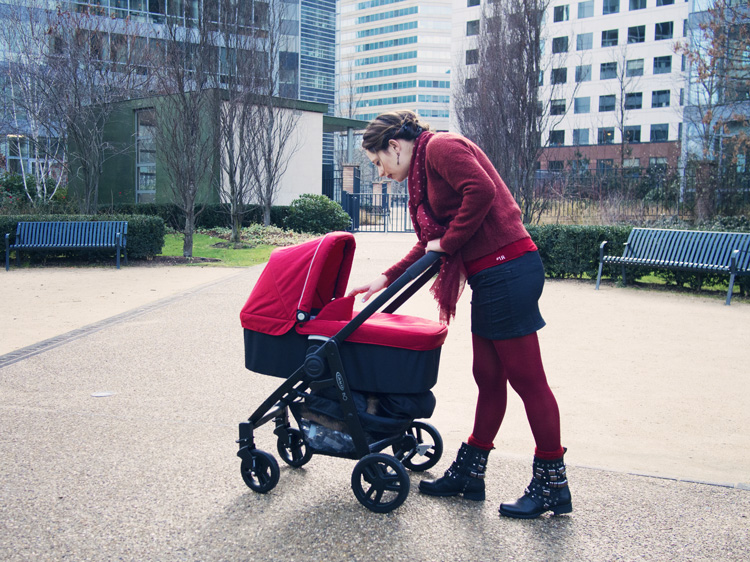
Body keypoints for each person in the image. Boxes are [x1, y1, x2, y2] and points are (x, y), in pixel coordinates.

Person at [348, 110, 572, 519]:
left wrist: (448, 243)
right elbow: (434, 245)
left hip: (507, 269)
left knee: (528, 381)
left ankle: (552, 482)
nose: (380, 173)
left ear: (394, 147)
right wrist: (384, 278)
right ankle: (471, 472)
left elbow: (481, 192)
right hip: (494, 276)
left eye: (378, 162)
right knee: (487, 378)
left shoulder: (440, 149)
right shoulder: (425, 169)